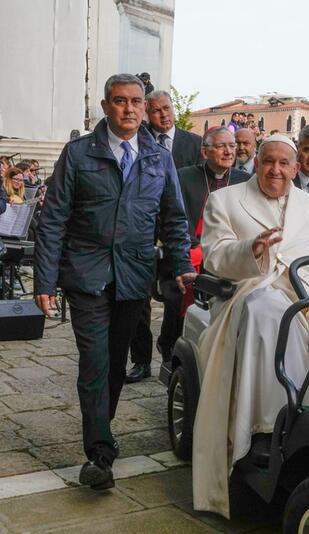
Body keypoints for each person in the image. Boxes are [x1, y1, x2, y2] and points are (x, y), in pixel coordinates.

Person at [192, 134, 309, 517]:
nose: (275, 170)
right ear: (257, 163)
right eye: (268, 162)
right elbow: (213, 255)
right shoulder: (225, 200)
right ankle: (270, 428)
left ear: (296, 169)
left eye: (284, 164)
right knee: (269, 311)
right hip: (253, 288)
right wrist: (251, 250)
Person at [33, 73, 194, 490]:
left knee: (116, 365)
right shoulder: (78, 154)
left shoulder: (159, 158)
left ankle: (102, 430)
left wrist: (181, 265)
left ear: (144, 107)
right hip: (86, 276)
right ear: (105, 107)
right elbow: (52, 222)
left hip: (134, 277)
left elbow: (174, 218)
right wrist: (45, 282)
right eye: (119, 101)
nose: (128, 109)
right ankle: (100, 455)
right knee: (95, 362)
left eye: (135, 101)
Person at [130, 127, 252, 380]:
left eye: (232, 146)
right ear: (204, 151)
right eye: (221, 146)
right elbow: (172, 216)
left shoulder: (243, 180)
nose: (229, 151)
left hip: (228, 256)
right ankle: (171, 356)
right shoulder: (184, 176)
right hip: (186, 253)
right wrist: (194, 248)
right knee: (176, 309)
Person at [146, 90, 203, 169]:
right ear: (147, 114)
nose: (164, 115)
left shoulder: (196, 143)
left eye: (166, 108)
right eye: (156, 110)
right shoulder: (140, 138)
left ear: (173, 109)